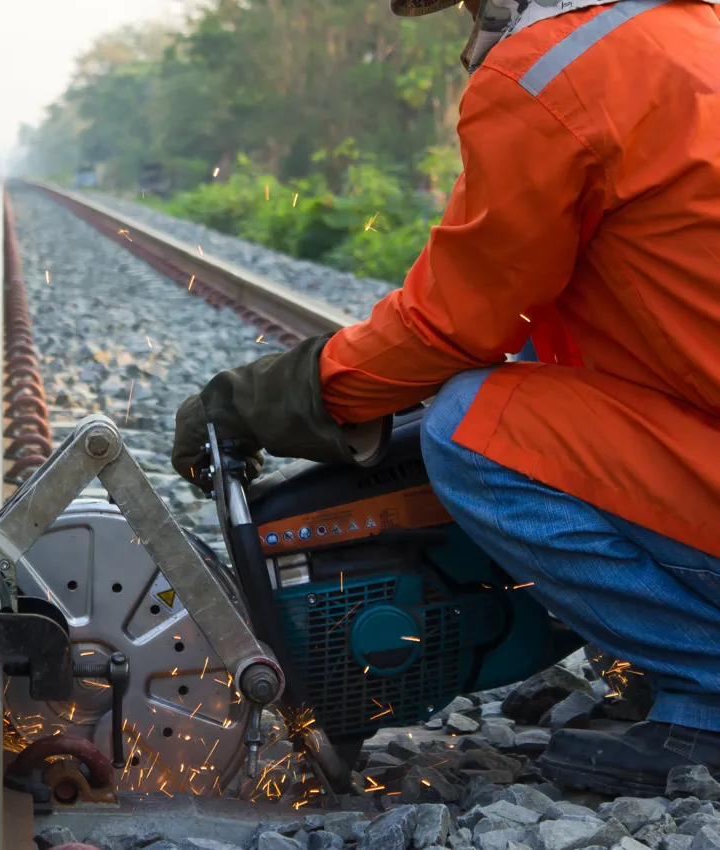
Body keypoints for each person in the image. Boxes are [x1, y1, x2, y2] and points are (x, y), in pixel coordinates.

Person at [172, 0, 720, 797]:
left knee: (470, 426)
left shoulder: (552, 73)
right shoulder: (690, 32)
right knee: (534, 361)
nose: (472, 24)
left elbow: (452, 326)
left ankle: (707, 689)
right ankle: (652, 655)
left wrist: (273, 399)